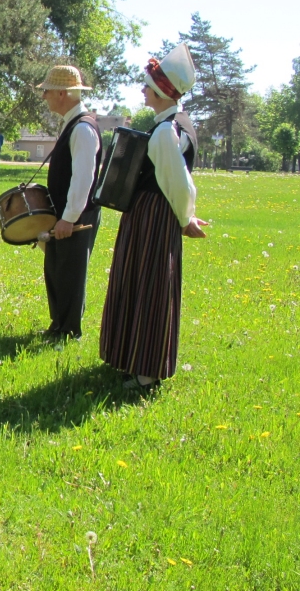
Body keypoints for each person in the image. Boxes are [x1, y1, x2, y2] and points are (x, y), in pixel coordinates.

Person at [100, 44, 208, 390]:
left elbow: (179, 184)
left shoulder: (165, 131)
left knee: (149, 285)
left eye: (148, 85)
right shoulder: (174, 124)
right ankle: (130, 357)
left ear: (162, 91)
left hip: (153, 215)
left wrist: (185, 218)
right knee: (139, 280)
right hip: (149, 213)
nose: (143, 90)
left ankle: (146, 369)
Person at [39, 66, 103, 339]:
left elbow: (83, 179)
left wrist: (70, 217)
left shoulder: (83, 129)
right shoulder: (73, 124)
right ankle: (59, 325)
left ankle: (68, 331)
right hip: (67, 213)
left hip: (77, 215)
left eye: (48, 91)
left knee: (70, 272)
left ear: (63, 93)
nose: (45, 97)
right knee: (57, 268)